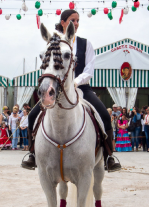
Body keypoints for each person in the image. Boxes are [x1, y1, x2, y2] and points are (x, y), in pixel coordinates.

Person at [21, 9, 121, 171]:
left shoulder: (85, 43)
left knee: (104, 115)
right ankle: (32, 153)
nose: (76, 23)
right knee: (33, 115)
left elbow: (89, 70)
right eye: (73, 20)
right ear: (63, 22)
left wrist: (76, 81)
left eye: (78, 20)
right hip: (58, 88)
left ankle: (109, 156)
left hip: (82, 88)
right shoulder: (54, 42)